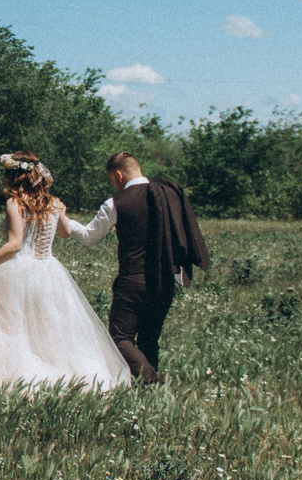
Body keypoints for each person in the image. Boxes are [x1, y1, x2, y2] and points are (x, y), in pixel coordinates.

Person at [0, 152, 132, 390]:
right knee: (51, 328)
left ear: (14, 176)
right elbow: (66, 233)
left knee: (20, 327)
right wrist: (62, 212)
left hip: (22, 271)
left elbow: (15, 244)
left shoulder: (15, 203)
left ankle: (28, 375)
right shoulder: (52, 203)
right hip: (50, 271)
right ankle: (63, 373)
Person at [65, 151, 208, 385]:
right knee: (150, 339)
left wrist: (65, 219)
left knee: (120, 338)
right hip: (165, 279)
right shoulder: (168, 195)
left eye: (112, 179)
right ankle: (147, 393)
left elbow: (89, 237)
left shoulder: (116, 203)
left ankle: (152, 381)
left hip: (133, 281)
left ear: (118, 175)